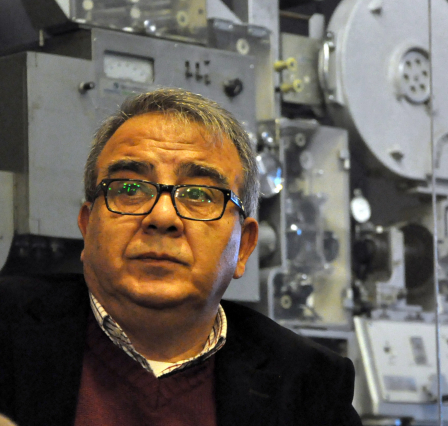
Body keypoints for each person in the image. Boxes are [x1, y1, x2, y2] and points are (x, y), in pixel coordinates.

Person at [0, 88, 362, 426]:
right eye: (130, 189)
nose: (162, 217)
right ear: (87, 225)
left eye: (200, 195)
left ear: (244, 246)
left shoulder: (311, 386)